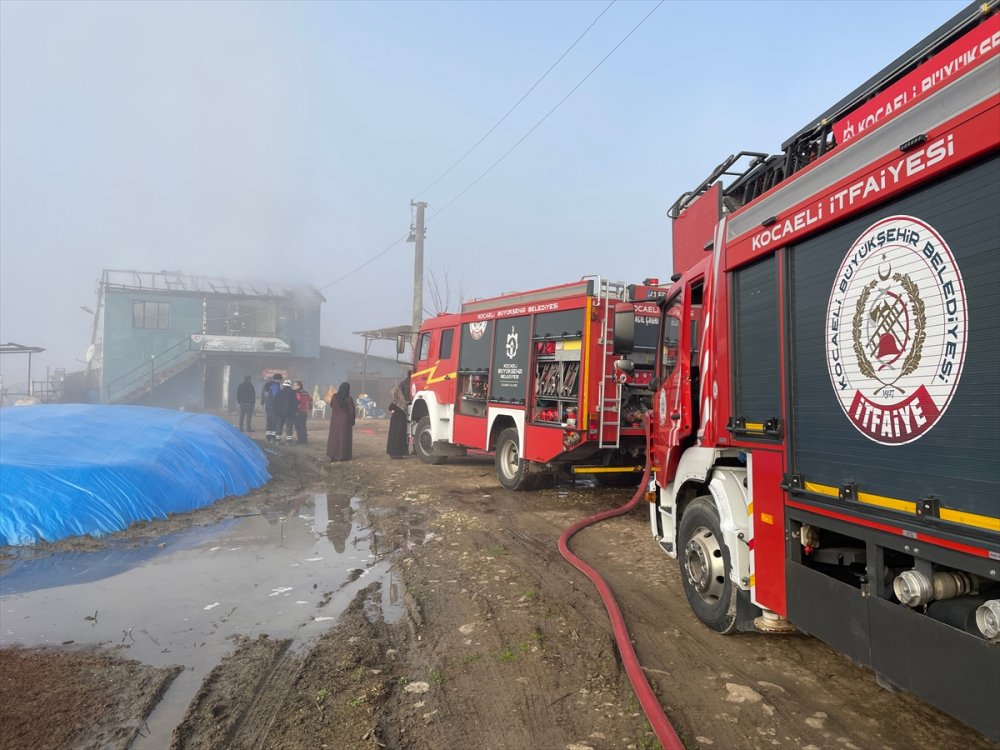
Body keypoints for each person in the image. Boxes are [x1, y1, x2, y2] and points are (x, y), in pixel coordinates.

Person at [326, 381, 356, 461]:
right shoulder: (349, 399)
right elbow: (352, 411)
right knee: (344, 438)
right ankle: (343, 456)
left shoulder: (334, 397)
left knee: (334, 438)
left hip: (335, 420)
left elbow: (332, 405)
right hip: (345, 421)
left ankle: (332, 454)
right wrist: (352, 421)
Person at [386, 385, 408, 458]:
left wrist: (392, 411)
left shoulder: (395, 401)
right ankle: (400, 453)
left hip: (395, 421)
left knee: (394, 437)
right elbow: (405, 410)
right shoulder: (403, 401)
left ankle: (393, 453)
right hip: (402, 420)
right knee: (401, 436)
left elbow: (390, 407)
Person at [261, 373, 283, 443]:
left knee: (269, 421)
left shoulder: (266, 385)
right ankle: (273, 438)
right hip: (274, 407)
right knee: (274, 422)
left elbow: (263, 395)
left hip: (267, 406)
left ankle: (267, 438)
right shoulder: (275, 386)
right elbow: (276, 396)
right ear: (279, 380)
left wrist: (262, 403)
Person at [274, 379, 298, 445]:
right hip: (289, 414)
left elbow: (275, 402)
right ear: (290, 385)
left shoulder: (279, 392)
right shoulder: (292, 393)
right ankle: (289, 441)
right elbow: (295, 403)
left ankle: (277, 441)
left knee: (278, 427)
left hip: (279, 414)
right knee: (289, 428)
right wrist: (295, 410)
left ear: (284, 385)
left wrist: (276, 411)